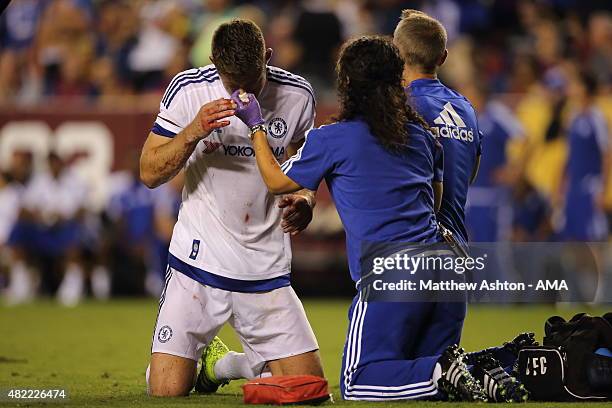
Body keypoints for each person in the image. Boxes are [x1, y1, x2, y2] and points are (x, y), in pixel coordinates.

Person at [231, 35, 496, 402]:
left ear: (347, 84)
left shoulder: (333, 138)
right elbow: (435, 205)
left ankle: (443, 372)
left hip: (394, 270)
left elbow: (276, 181)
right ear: (397, 80)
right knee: (420, 378)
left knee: (360, 382)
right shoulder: (423, 137)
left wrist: (256, 126)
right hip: (448, 267)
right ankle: (479, 369)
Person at [139, 19, 323, 397]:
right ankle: (218, 363)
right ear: (212, 63)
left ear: (267, 58)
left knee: (311, 388)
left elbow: (305, 172)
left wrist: (305, 200)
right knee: (166, 390)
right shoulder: (188, 89)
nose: (241, 93)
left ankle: (230, 363)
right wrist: (193, 131)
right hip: (198, 262)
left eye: (251, 82)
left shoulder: (297, 96)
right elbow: (148, 172)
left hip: (264, 268)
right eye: (231, 82)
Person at [393, 9, 482, 248]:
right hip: (456, 248)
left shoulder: (399, 106)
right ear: (443, 57)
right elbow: (469, 174)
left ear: (396, 55)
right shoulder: (466, 110)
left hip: (412, 249)